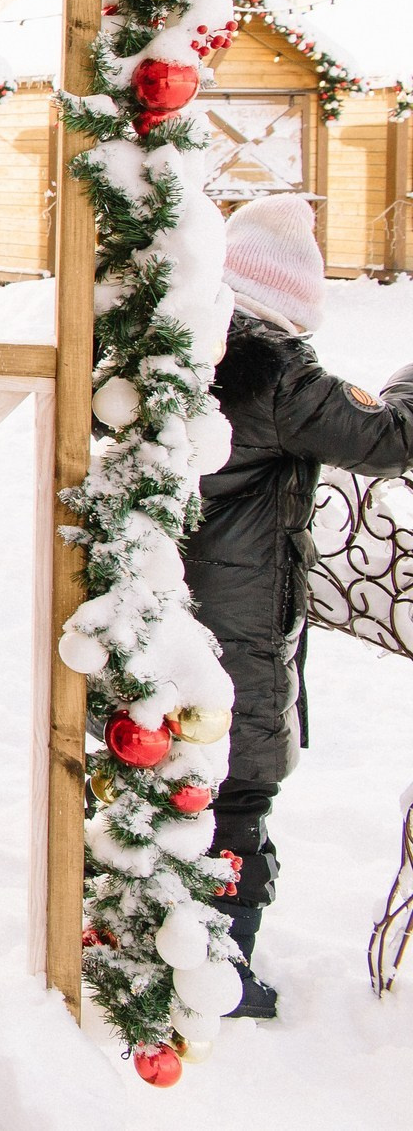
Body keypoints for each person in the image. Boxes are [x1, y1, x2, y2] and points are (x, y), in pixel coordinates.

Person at [187, 191, 413, 1018]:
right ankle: (219, 968)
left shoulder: (188, 349)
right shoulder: (275, 370)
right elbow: (388, 439)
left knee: (179, 777)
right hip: (237, 615)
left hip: (175, 601)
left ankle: (164, 943)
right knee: (241, 787)